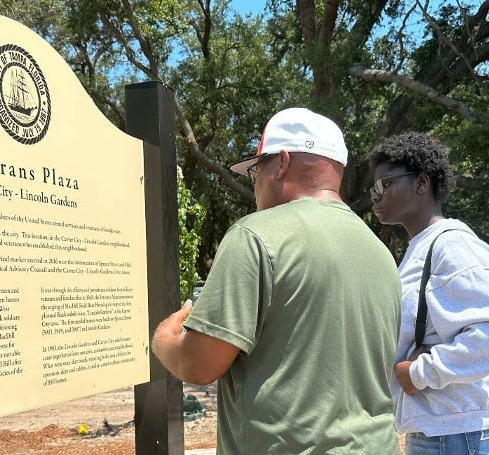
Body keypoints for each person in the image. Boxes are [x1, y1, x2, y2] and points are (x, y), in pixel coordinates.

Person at [152, 107, 402, 454]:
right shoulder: (380, 254)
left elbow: (198, 364)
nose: (255, 183)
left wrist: (164, 338)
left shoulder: (254, 236)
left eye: (257, 169)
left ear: (282, 163)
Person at [368, 131, 489, 455]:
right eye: (373, 188)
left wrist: (419, 374)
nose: (375, 196)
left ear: (422, 183)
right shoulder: (422, 248)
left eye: (384, 184)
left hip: (456, 433)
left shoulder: (450, 244)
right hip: (439, 430)